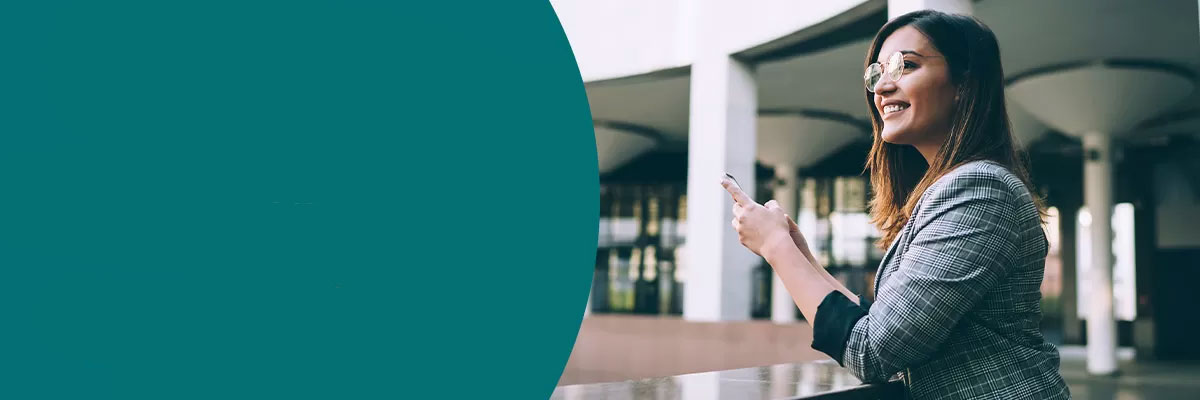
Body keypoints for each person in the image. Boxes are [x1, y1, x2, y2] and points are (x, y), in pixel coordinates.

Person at [722, 10, 1070, 399]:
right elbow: (880, 323)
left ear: (963, 83)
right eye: (876, 73)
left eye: (905, 65)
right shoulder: (953, 187)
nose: (882, 87)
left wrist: (774, 247)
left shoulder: (979, 187)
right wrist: (802, 258)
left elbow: (873, 351)